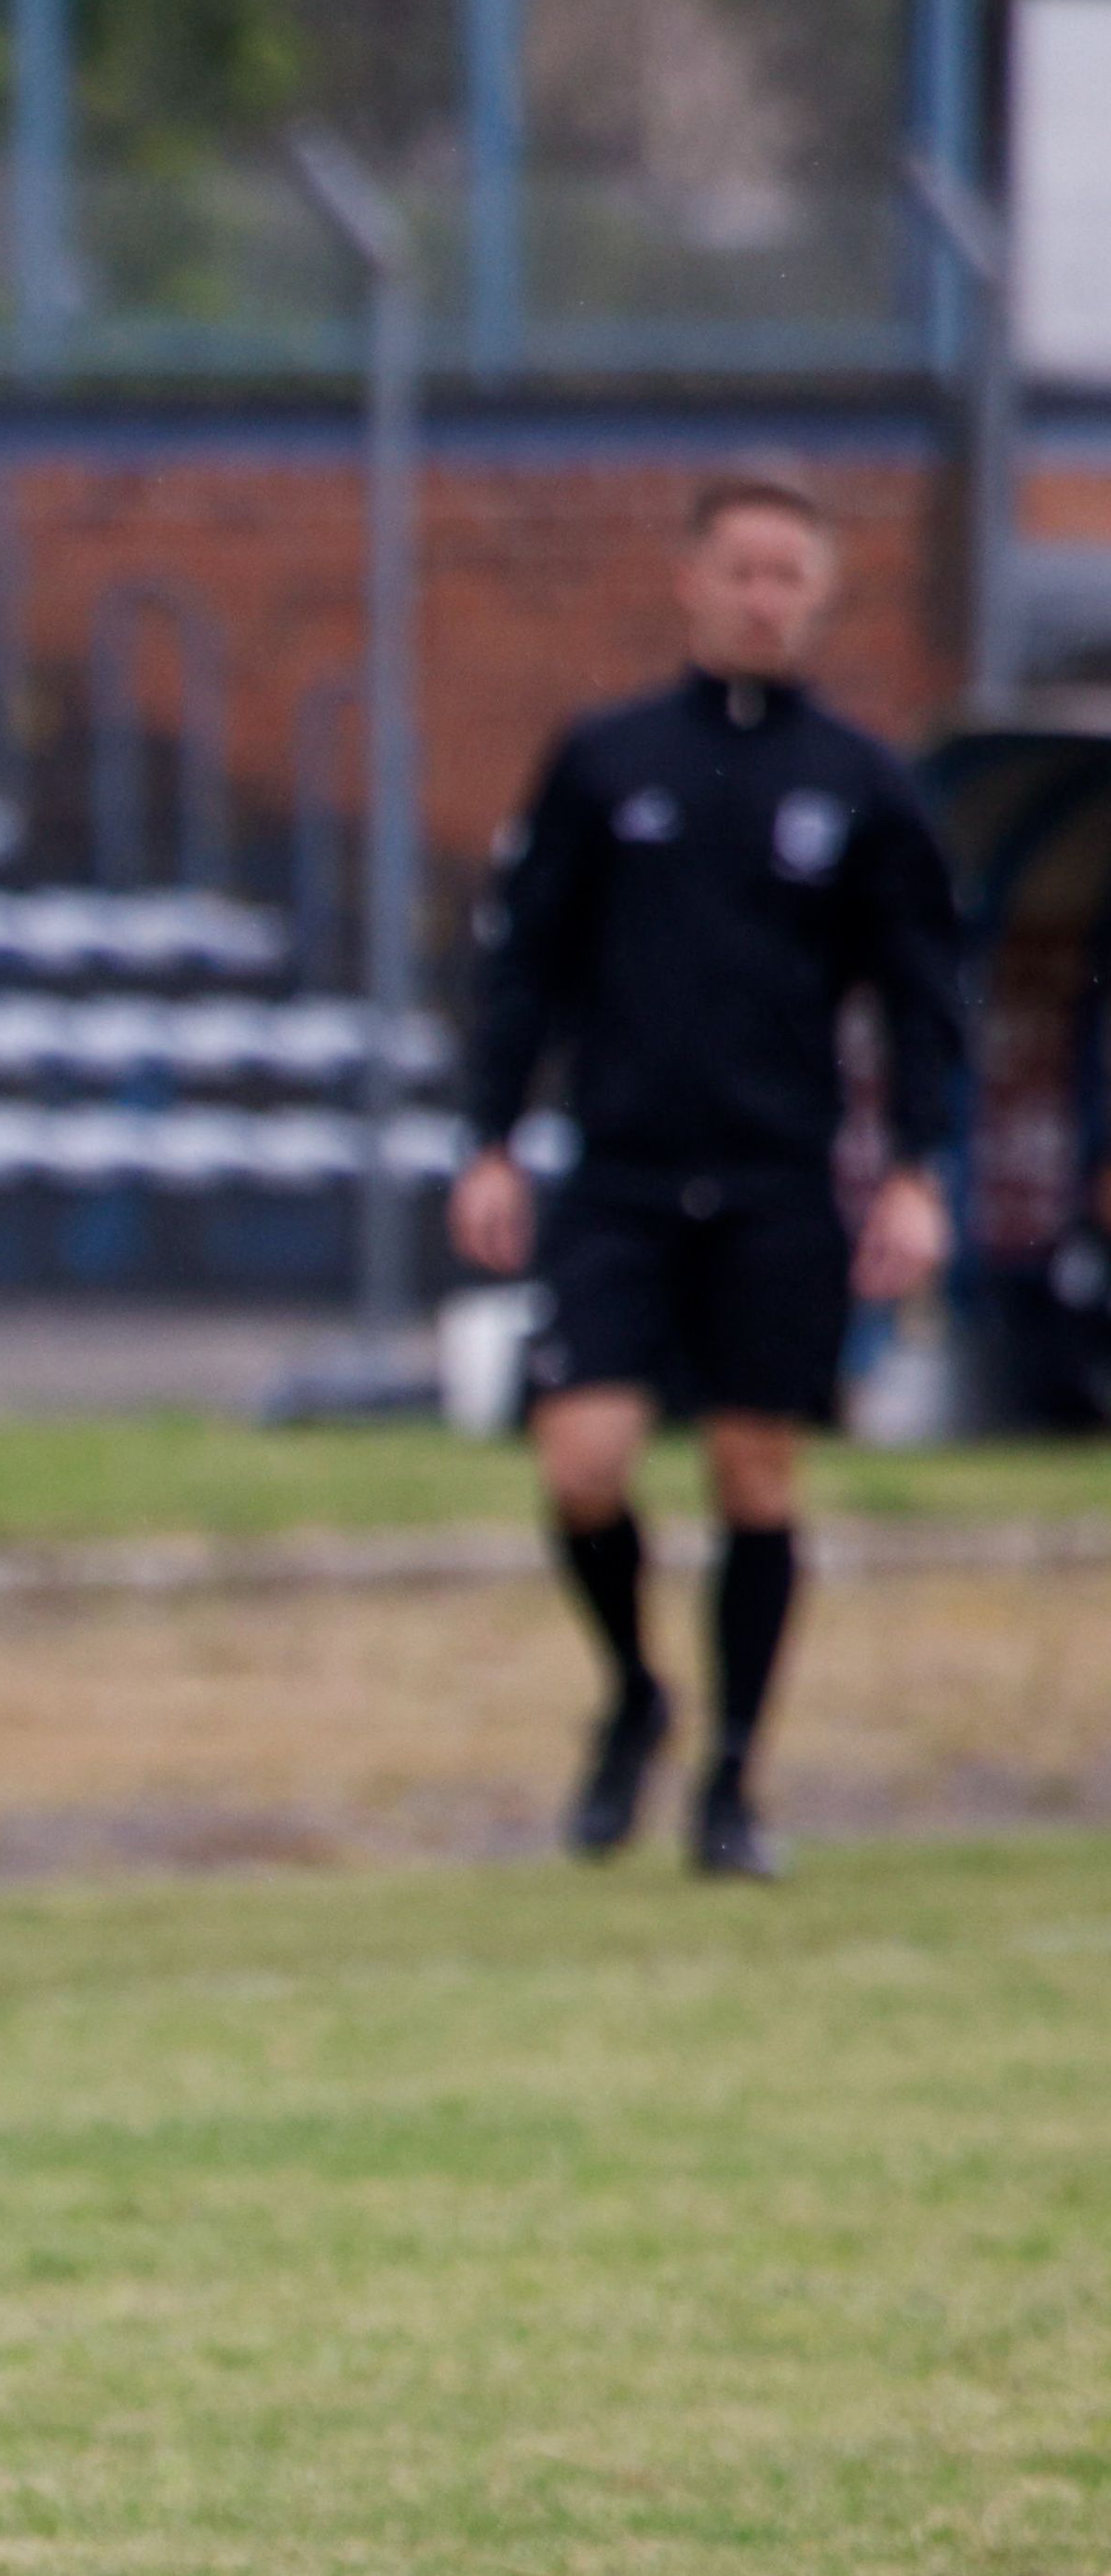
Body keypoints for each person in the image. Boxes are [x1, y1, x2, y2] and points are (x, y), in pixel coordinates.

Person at [453, 465, 966, 1882]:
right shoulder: (604, 760)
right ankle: (632, 1690)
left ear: (817, 596)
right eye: (737, 569)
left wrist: (916, 1172)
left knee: (753, 1468)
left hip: (773, 1178)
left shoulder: (856, 783)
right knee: (582, 1458)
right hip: (617, 1169)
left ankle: (733, 1781)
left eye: (785, 575)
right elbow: (521, 964)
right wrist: (487, 1137)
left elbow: (917, 994)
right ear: (687, 580)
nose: (759, 597)